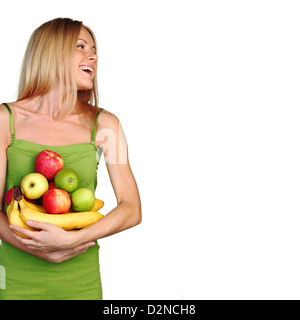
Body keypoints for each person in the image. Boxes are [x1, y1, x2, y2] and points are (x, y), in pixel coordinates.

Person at [0, 17, 142, 300]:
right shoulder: (6, 121)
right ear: (50, 53)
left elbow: (132, 208)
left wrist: (71, 240)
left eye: (94, 49)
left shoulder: (106, 125)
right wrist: (38, 249)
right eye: (81, 46)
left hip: (82, 279)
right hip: (15, 279)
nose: (93, 56)